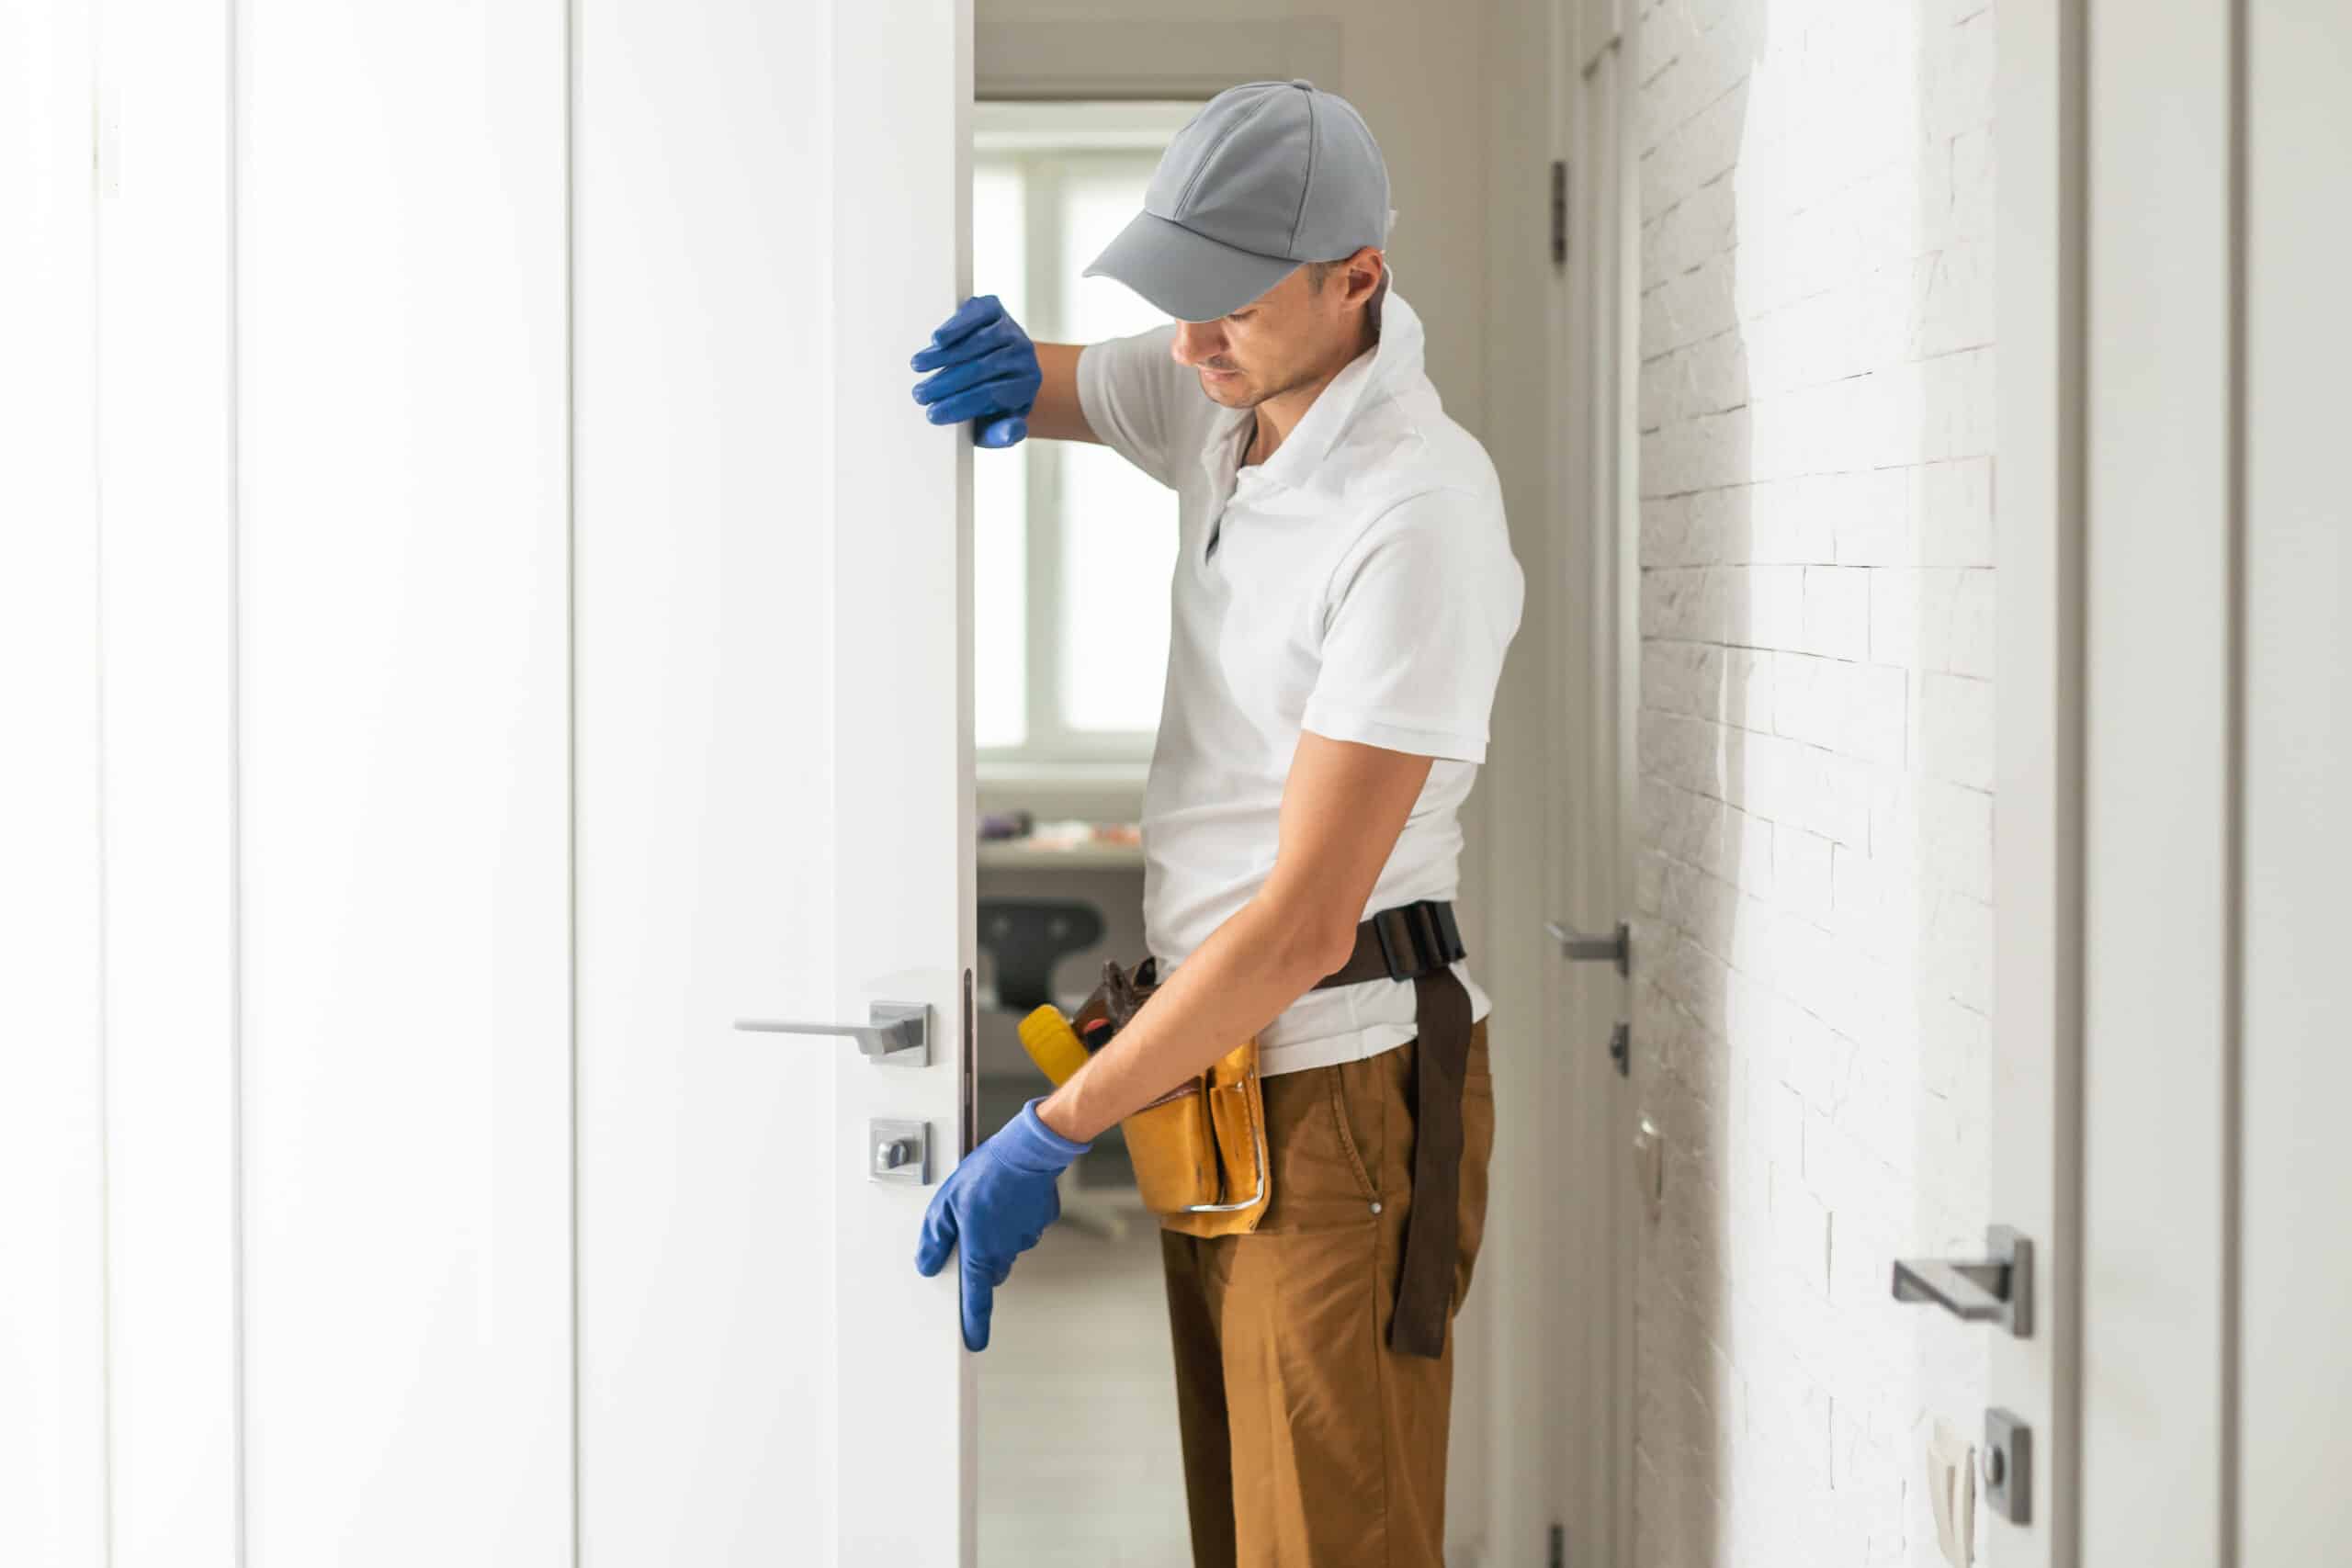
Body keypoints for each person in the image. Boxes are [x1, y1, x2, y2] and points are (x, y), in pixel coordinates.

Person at [906, 79, 1524, 1568]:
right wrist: (991, 366)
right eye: (1172, 298)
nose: (1186, 345)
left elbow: (1309, 925)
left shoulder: (1415, 513)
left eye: (1225, 307)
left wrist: (1054, 1129)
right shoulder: (1227, 385)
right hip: (1219, 1076)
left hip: (1340, 1097)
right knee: (1244, 1544)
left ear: (1356, 281)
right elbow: (1058, 384)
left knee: (1330, 1548)